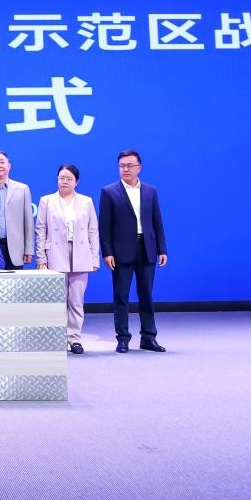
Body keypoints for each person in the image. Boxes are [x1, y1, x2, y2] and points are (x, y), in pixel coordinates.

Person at [99, 150, 168, 354]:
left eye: (129, 165)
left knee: (146, 294)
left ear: (139, 167)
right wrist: (107, 252)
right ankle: (123, 338)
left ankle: (148, 337)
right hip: (121, 251)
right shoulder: (109, 191)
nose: (125, 169)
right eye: (122, 165)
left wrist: (162, 249)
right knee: (121, 295)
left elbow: (157, 221)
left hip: (147, 248)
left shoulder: (150, 191)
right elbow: (105, 226)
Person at [36, 164, 99, 354]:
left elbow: (93, 231)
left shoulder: (86, 201)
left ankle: (74, 338)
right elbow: (40, 230)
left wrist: (94, 258)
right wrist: (41, 258)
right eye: (61, 178)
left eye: (69, 178)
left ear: (76, 182)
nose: (64, 181)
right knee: (56, 300)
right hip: (55, 253)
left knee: (76, 301)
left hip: (80, 253)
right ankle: (57, 338)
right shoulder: (46, 201)